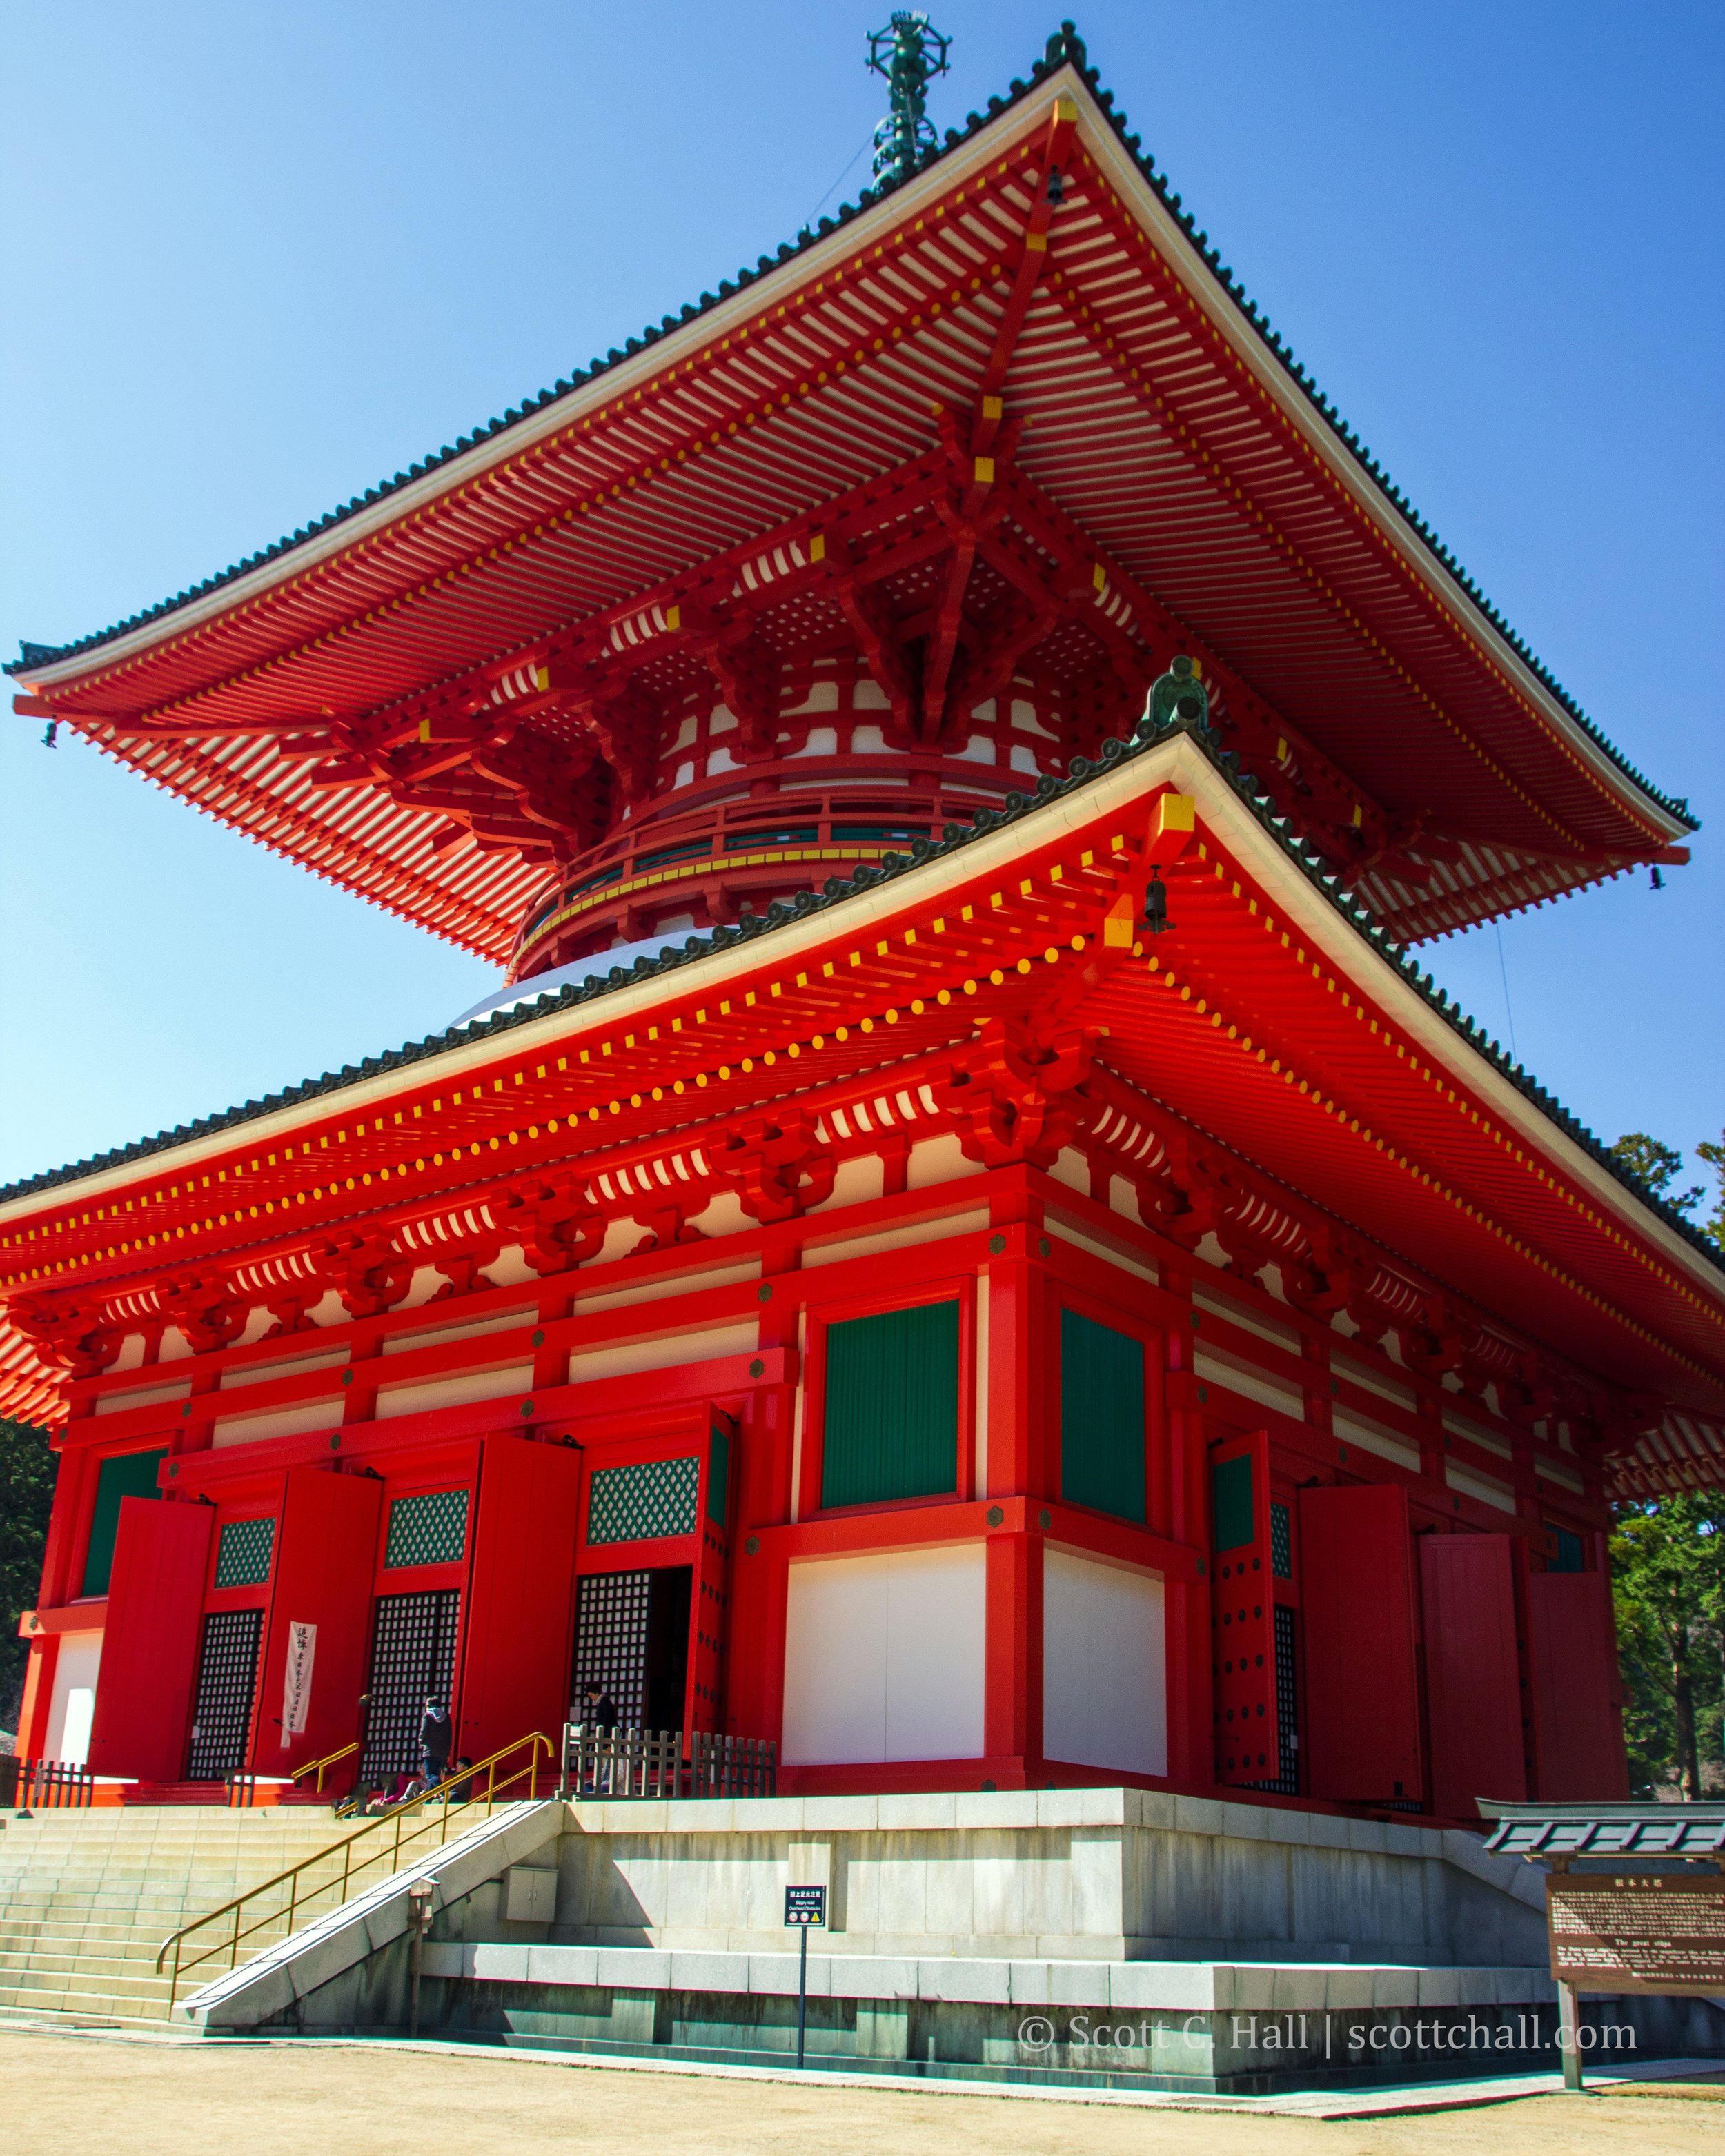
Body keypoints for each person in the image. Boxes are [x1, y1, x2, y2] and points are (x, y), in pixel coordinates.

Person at [420, 1697, 453, 1786]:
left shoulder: (427, 1716)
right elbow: (449, 1735)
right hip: (443, 1751)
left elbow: (424, 1731)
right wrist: (448, 1751)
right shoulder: (446, 1717)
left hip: (430, 1751)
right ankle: (429, 1799)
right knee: (435, 1775)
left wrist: (421, 1741)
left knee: (430, 1775)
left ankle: (444, 1791)